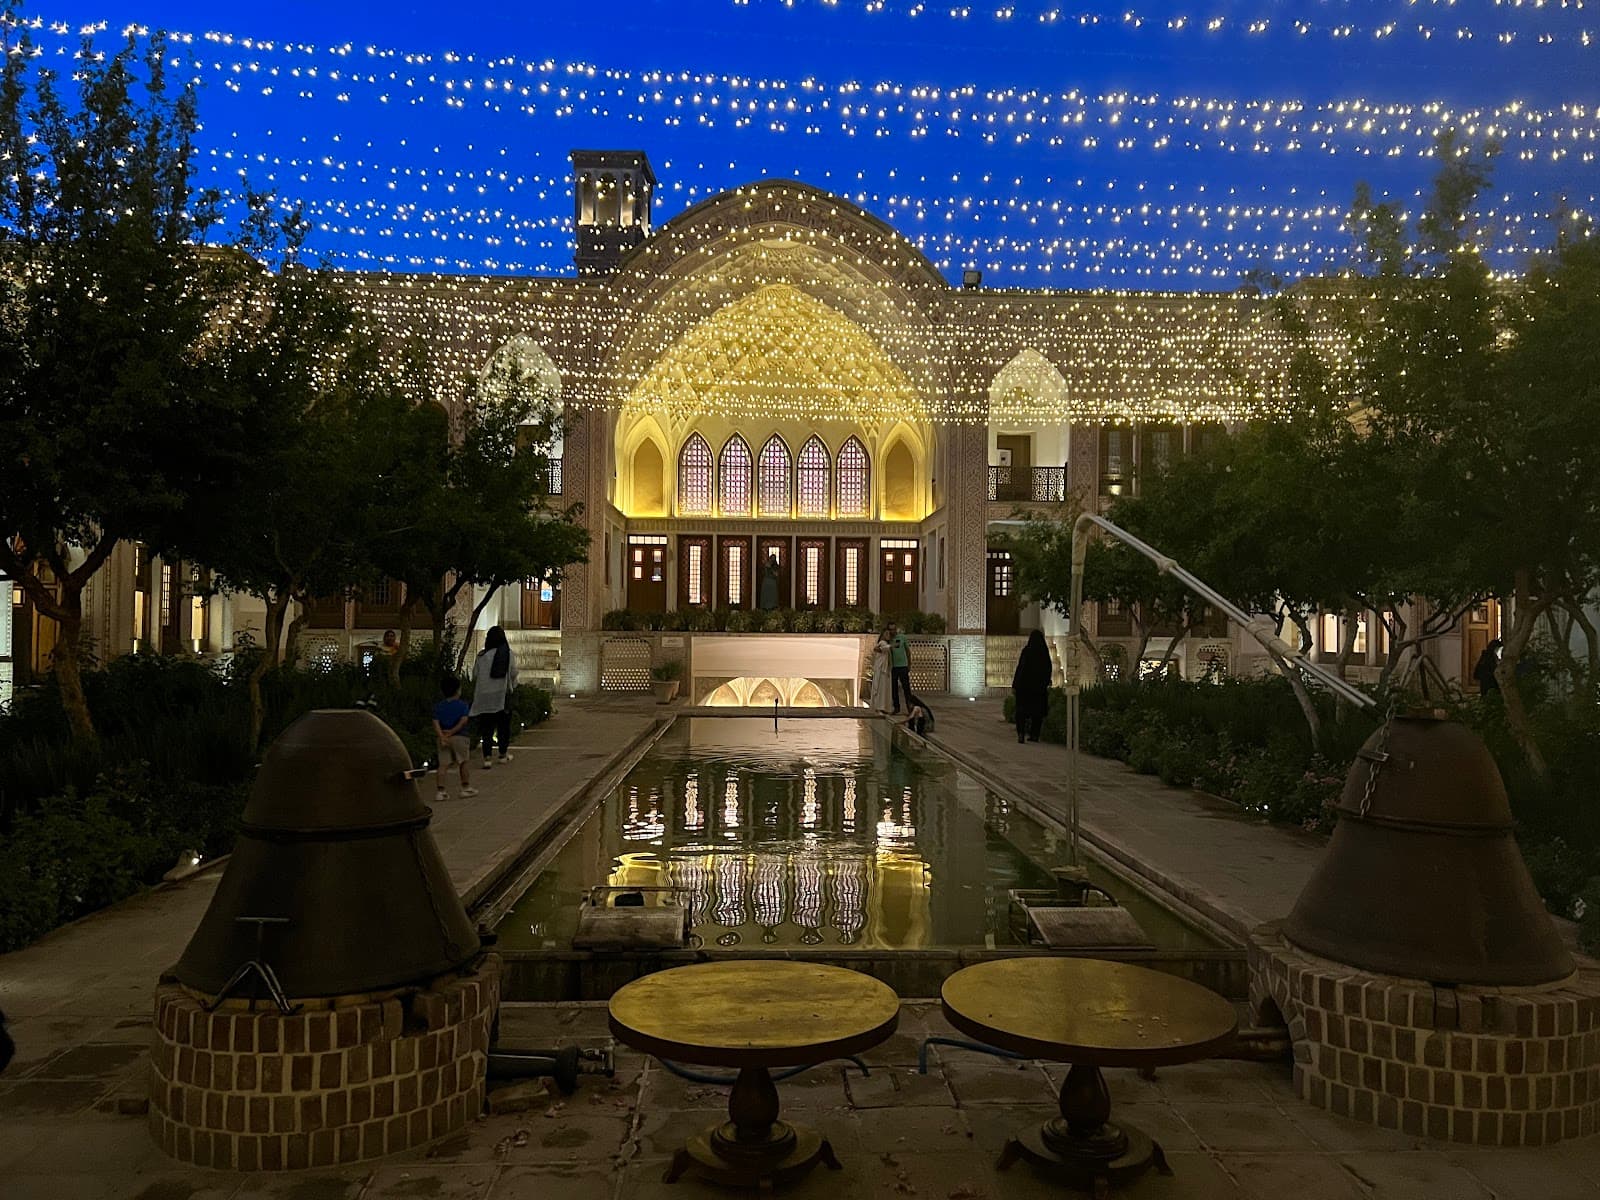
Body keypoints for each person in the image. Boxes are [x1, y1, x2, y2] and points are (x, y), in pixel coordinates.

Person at [470, 625, 519, 769]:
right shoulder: (507, 654)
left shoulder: (481, 656)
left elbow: (475, 675)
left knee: (487, 728)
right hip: (501, 695)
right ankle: (502, 754)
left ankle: (487, 758)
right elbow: (513, 673)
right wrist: (512, 686)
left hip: (484, 696)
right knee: (503, 726)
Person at [431, 676, 477, 801]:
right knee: (463, 762)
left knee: (443, 764)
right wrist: (452, 732)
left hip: (443, 737)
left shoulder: (439, 706)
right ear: (458, 690)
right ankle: (465, 787)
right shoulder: (462, 705)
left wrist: (442, 736)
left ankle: (441, 791)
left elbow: (435, 722)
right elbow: (463, 721)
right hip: (460, 736)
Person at [1012, 629, 1053, 744]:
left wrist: (1016, 684)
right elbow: (1048, 669)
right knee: (1037, 713)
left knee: (1021, 712)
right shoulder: (1044, 653)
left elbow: (1021, 668)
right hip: (1039, 689)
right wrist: (1045, 683)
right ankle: (1034, 735)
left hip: (1024, 688)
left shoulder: (1027, 651)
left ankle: (1021, 734)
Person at [886, 622, 912, 714]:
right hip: (894, 667)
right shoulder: (888, 640)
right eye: (890, 629)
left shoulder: (902, 637)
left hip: (903, 666)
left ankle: (910, 707)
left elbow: (908, 651)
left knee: (906, 688)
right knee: (894, 688)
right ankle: (896, 707)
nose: (892, 631)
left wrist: (909, 664)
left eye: (894, 629)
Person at [868, 631, 893, 712]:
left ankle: (882, 706)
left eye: (889, 634)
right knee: (880, 687)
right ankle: (879, 706)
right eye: (886, 634)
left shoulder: (885, 644)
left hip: (884, 669)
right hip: (881, 668)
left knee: (884, 688)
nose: (888, 635)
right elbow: (879, 649)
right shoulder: (882, 643)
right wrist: (891, 646)